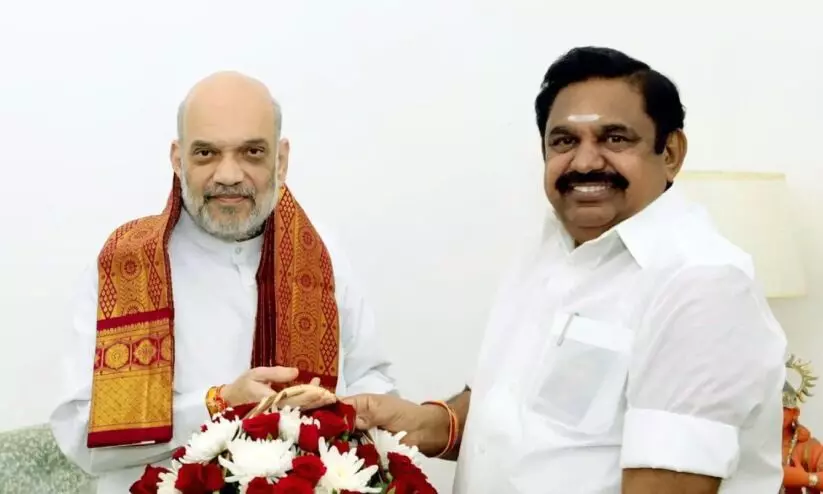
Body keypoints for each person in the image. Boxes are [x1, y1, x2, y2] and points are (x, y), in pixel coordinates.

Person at [345, 46, 788, 493]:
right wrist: (422, 423)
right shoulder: (550, 246)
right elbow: (516, 413)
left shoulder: (700, 284)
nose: (585, 161)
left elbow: (666, 487)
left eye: (615, 138)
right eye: (564, 141)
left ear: (670, 152)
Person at [49, 71, 396, 493]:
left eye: (252, 152)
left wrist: (337, 412)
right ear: (178, 159)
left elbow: (373, 381)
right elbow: (79, 435)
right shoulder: (124, 265)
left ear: (281, 160)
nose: (228, 174)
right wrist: (219, 405)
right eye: (206, 154)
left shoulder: (323, 254)